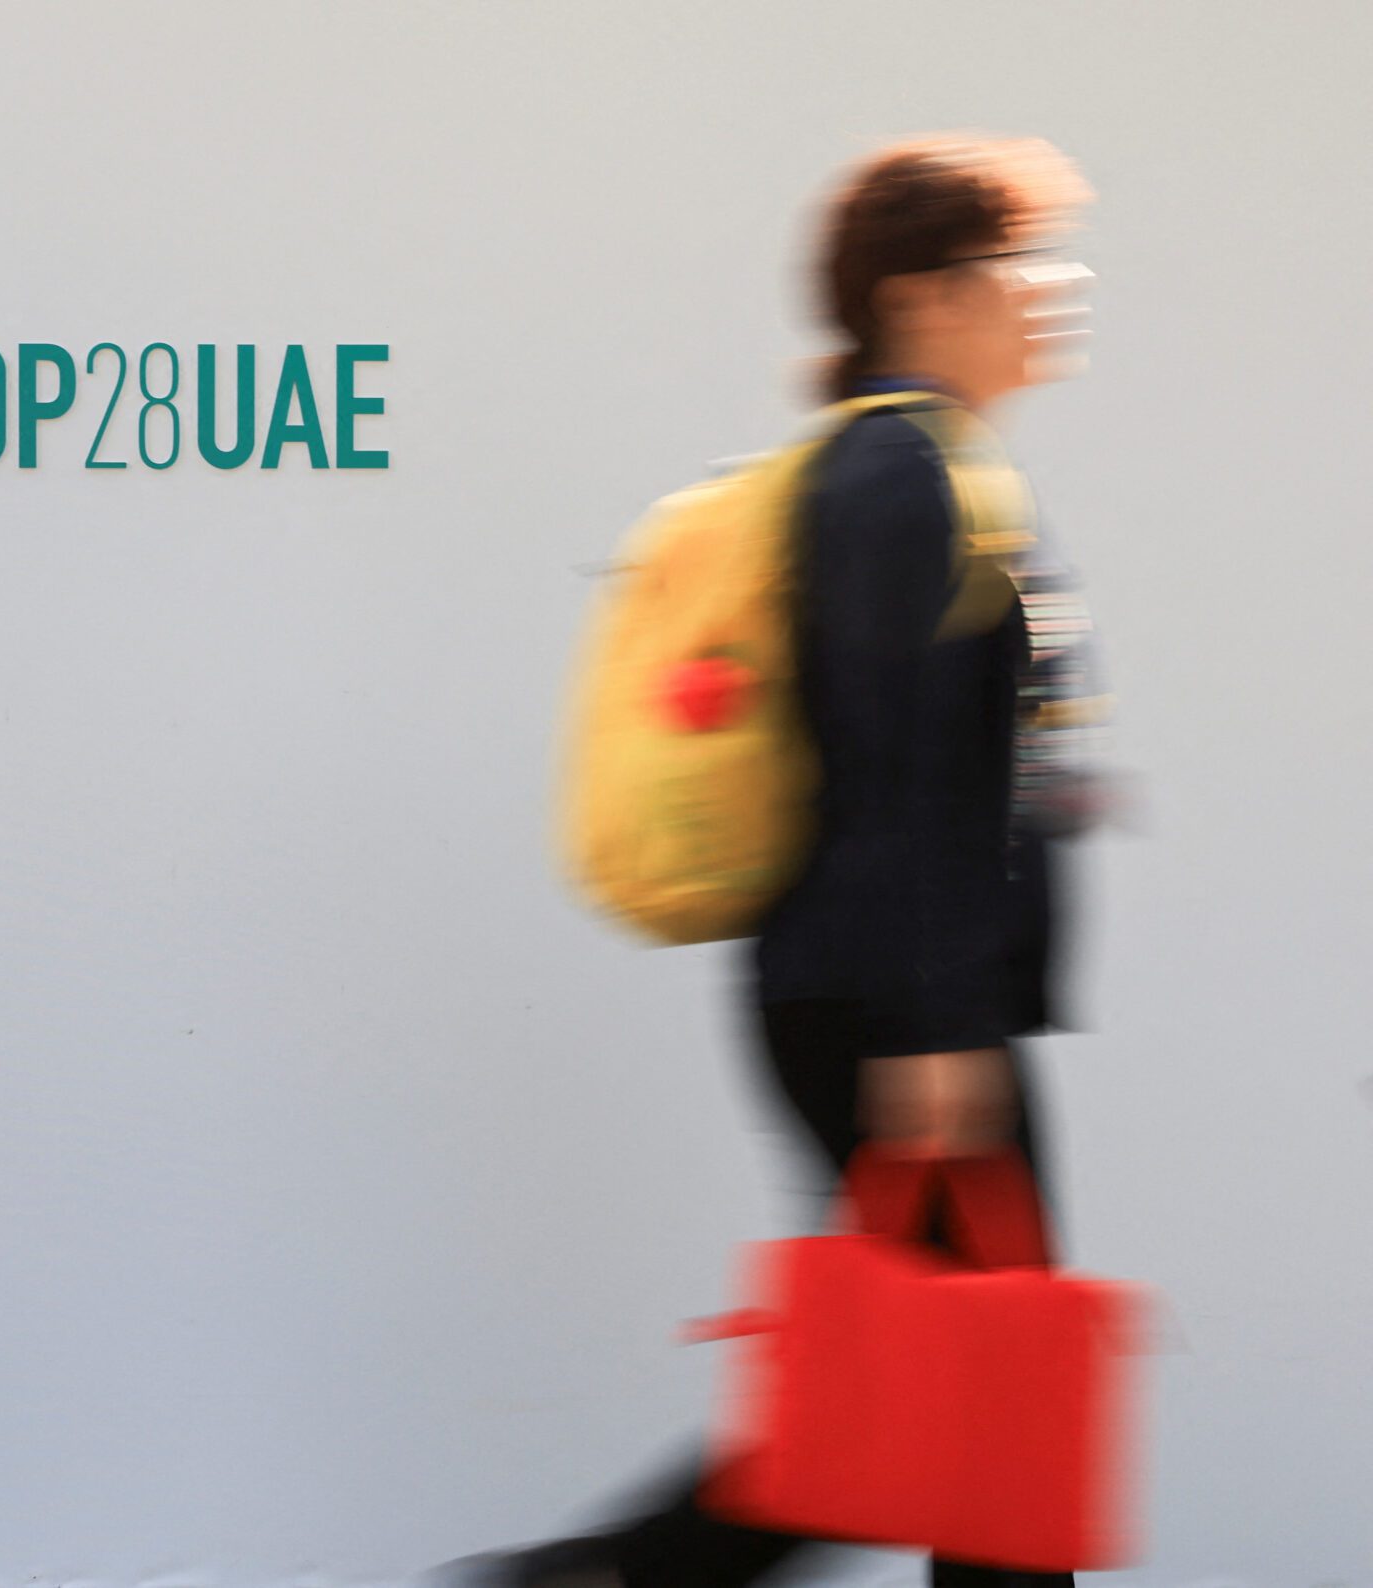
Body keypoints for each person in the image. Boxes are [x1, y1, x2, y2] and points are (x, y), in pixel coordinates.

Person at [453, 135, 1107, 1588]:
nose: (1053, 291)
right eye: (1019, 264)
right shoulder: (899, 480)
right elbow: (900, 775)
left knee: (949, 1403)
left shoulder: (920, 467)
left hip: (888, 994)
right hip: (895, 1007)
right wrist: (941, 1037)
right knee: (942, 1409)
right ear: (922, 296)